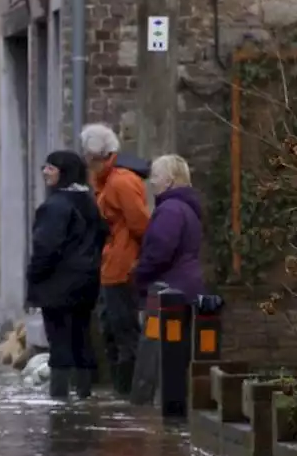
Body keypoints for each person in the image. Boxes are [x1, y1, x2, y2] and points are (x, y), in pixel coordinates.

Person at [27, 151, 107, 400]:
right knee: (81, 338)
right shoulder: (89, 202)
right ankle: (84, 394)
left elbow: (45, 248)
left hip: (58, 285)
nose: (45, 172)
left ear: (65, 172)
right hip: (86, 283)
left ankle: (59, 399)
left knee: (60, 342)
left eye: (51, 168)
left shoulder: (54, 206)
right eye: (45, 166)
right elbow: (102, 236)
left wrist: (34, 278)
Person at [80, 123, 150, 397]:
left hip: (122, 268)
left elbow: (141, 225)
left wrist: (137, 262)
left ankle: (130, 395)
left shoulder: (120, 182)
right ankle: (123, 392)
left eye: (88, 155)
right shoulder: (106, 182)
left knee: (124, 332)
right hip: (111, 267)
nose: (86, 161)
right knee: (112, 329)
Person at [135, 154, 205, 303]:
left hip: (169, 290)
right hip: (186, 285)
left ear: (169, 181)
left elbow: (160, 251)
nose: (151, 182)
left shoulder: (170, 210)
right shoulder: (186, 208)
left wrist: (139, 273)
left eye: (155, 176)